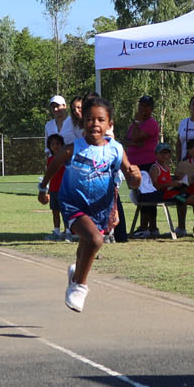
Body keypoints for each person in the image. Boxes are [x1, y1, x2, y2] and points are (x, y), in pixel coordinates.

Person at [40, 95, 141, 312]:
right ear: (82, 122)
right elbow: (54, 165)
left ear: (109, 124)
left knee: (86, 243)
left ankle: (75, 273)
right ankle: (79, 286)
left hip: (100, 208)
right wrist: (43, 188)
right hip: (73, 204)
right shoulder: (72, 148)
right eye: (89, 119)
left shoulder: (115, 149)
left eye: (100, 120)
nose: (94, 124)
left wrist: (136, 176)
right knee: (95, 240)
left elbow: (132, 180)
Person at [123, 95, 159, 191]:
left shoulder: (150, 123)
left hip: (146, 164)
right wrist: (134, 143)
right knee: (136, 195)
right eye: (141, 105)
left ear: (151, 109)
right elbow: (126, 141)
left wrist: (137, 122)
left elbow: (135, 137)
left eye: (146, 106)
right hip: (133, 164)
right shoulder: (135, 124)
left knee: (146, 195)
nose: (143, 108)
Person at [43, 132, 67, 240]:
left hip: (65, 190)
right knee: (55, 211)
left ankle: (68, 232)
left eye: (57, 144)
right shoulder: (49, 160)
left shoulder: (66, 159)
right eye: (52, 144)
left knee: (65, 212)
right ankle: (56, 231)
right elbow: (48, 175)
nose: (55, 146)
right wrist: (47, 191)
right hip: (53, 189)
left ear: (62, 145)